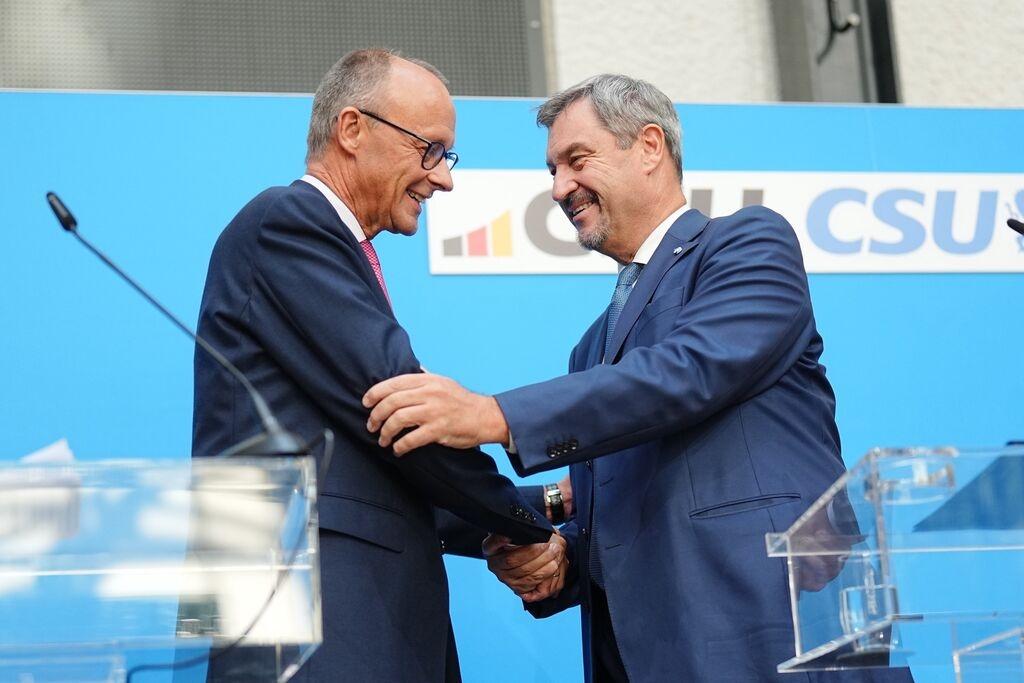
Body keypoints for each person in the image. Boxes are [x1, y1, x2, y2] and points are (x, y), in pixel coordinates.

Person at [363, 74, 914, 682]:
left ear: (650, 147)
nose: (559, 187)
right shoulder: (591, 347)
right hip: (643, 652)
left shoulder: (747, 243)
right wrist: (563, 557)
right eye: (551, 171)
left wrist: (493, 416)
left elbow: (690, 371)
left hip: (770, 628)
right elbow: (621, 511)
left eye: (576, 160)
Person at [191, 49, 563, 682]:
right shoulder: (290, 223)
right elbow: (405, 418)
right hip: (309, 623)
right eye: (431, 149)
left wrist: (549, 502)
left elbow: (377, 476)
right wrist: (522, 525)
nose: (442, 178)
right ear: (353, 129)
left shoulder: (318, 242)